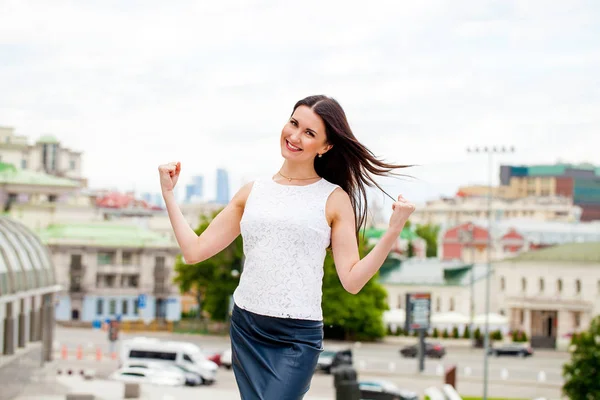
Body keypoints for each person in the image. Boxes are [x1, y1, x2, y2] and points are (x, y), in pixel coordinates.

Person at [158, 95, 415, 400]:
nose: (294, 136)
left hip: (297, 336)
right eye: (294, 123)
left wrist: (393, 230)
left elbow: (353, 281)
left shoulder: (333, 199)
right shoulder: (252, 192)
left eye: (309, 133)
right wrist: (169, 194)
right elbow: (194, 251)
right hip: (247, 327)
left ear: (326, 146)